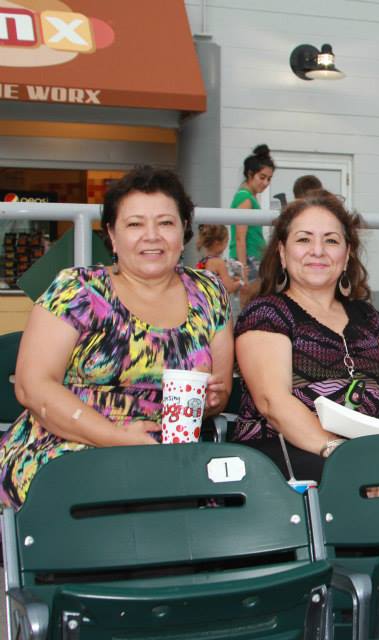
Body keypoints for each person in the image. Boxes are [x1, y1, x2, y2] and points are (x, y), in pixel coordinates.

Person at [0, 167, 233, 507]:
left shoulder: (209, 292)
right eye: (135, 224)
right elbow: (32, 385)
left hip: (170, 455)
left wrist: (212, 400)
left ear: (183, 230)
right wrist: (114, 437)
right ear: (111, 233)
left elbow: (220, 392)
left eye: (165, 223)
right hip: (66, 446)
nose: (151, 236)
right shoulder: (78, 289)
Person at [231, 193, 379, 482]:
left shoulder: (367, 317)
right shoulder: (267, 314)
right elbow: (272, 402)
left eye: (331, 240)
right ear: (281, 252)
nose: (318, 251)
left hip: (368, 452)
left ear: (347, 253)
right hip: (289, 452)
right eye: (304, 240)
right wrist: (337, 452)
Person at [229, 144, 274, 279]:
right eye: (262, 177)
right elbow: (240, 238)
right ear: (250, 174)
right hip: (247, 259)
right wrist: (243, 268)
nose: (266, 183)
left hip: (252, 257)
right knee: (249, 299)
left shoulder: (250, 197)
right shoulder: (244, 198)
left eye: (269, 179)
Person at [196, 224, 244, 295]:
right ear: (217, 243)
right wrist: (241, 281)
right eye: (226, 241)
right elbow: (229, 288)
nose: (226, 245)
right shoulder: (219, 263)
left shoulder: (202, 262)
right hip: (216, 304)